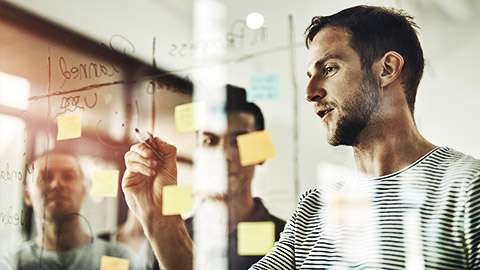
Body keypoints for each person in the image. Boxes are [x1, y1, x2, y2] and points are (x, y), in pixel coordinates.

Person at [121, 5, 480, 269]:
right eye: (310, 74)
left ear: (386, 69)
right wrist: (159, 218)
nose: (310, 91)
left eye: (328, 69)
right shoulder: (312, 210)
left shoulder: (468, 188)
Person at [139, 86, 286, 270]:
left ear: (261, 152)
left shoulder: (291, 241)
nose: (223, 154)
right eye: (210, 141)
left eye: (238, 141)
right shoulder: (164, 241)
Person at [0, 150, 139, 270]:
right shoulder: (12, 264)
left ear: (83, 190)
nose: (57, 184)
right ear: (28, 195)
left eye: (68, 176)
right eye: (45, 177)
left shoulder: (117, 257)